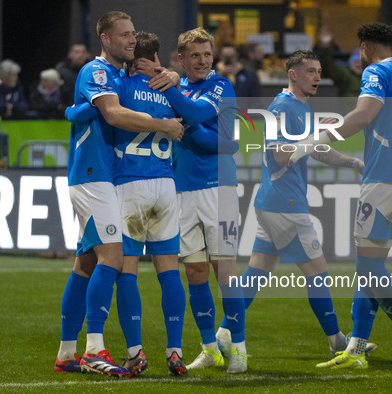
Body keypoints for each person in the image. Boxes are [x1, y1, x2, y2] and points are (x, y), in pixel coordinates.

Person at [290, 22, 392, 370]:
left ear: (363, 48)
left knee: (369, 268)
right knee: (371, 268)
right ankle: (357, 348)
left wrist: (318, 139)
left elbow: (362, 115)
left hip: (383, 179)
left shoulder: (376, 72)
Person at [218, 49, 372, 362]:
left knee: (258, 271)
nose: (318, 77)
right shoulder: (282, 107)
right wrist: (320, 134)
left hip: (275, 200)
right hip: (285, 203)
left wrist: (353, 162)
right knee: (318, 272)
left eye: (319, 71)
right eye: (311, 71)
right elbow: (280, 155)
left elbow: (314, 151)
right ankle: (337, 341)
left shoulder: (299, 107)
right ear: (293, 74)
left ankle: (223, 333)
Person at [54, 10, 183, 377]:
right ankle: (94, 349)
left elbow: (86, 110)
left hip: (103, 177)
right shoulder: (97, 71)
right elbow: (111, 114)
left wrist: (171, 74)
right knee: (113, 258)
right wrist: (164, 125)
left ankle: (66, 353)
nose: (130, 39)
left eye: (132, 35)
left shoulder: (117, 75)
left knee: (87, 264)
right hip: (94, 177)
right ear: (105, 40)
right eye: (123, 34)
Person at [141, 27, 247, 373]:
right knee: (195, 271)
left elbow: (201, 122)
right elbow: (200, 129)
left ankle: (240, 350)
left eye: (207, 54)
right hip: (182, 189)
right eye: (196, 56)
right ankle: (209, 347)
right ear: (182, 59)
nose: (203, 61)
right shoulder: (178, 88)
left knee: (225, 272)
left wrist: (183, 115)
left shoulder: (220, 85)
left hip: (220, 188)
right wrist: (176, 96)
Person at [314, 26, 362, 97]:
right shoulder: (345, 75)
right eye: (355, 61)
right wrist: (325, 46)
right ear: (350, 64)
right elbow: (328, 67)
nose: (359, 64)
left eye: (362, 62)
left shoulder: (371, 78)